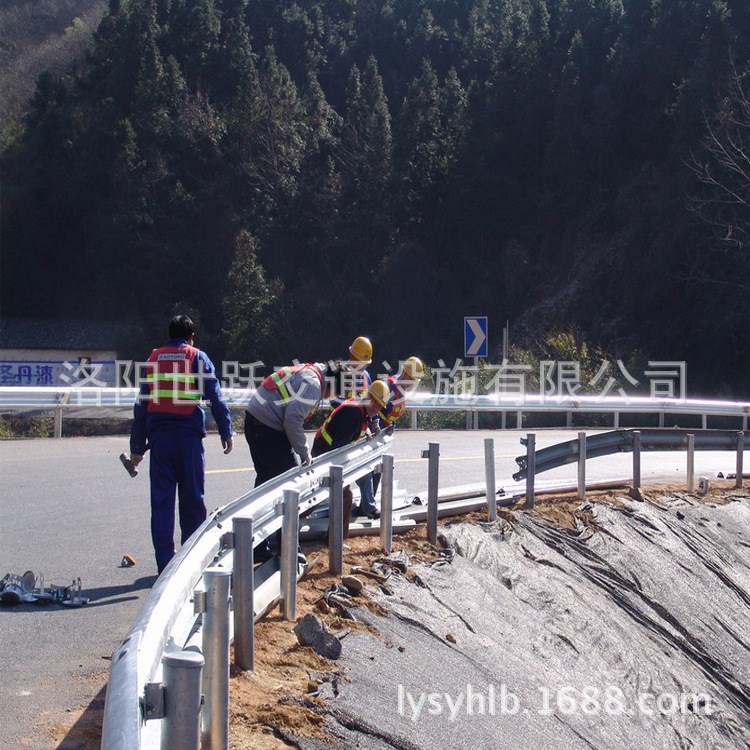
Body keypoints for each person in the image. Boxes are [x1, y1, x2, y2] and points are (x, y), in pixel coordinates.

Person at [129, 315, 234, 574]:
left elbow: (141, 405)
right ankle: (190, 564)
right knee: (192, 501)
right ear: (191, 336)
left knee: (162, 503)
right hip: (188, 440)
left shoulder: (153, 360)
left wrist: (136, 447)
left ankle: (165, 567)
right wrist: (226, 431)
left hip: (160, 441)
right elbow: (215, 398)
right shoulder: (196, 357)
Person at [311, 379, 391, 536]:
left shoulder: (361, 410)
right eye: (374, 403)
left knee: (322, 497)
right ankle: (335, 540)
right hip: (325, 456)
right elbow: (339, 449)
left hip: (325, 453)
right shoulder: (354, 413)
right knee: (335, 496)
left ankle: (336, 539)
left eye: (380, 406)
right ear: (368, 397)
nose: (376, 409)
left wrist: (366, 430)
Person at [244, 361, 336, 485]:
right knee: (291, 482)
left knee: (266, 481)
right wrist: (305, 453)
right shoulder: (313, 385)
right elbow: (293, 420)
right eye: (335, 393)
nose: (330, 397)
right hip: (266, 426)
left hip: (256, 419)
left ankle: (255, 505)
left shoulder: (308, 370)